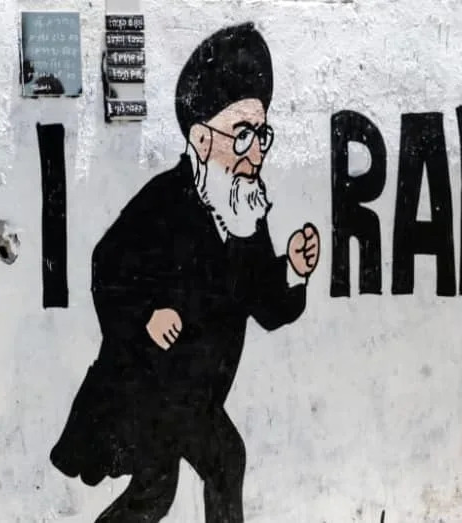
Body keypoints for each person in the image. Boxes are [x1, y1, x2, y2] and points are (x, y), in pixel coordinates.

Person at [50, 23, 320, 522]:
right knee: (216, 463)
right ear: (200, 138)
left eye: (262, 135)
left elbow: (266, 306)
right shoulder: (163, 201)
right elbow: (106, 269)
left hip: (192, 391)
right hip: (147, 384)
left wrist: (295, 272)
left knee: (161, 489)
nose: (255, 151)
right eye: (242, 135)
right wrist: (145, 317)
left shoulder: (246, 213)